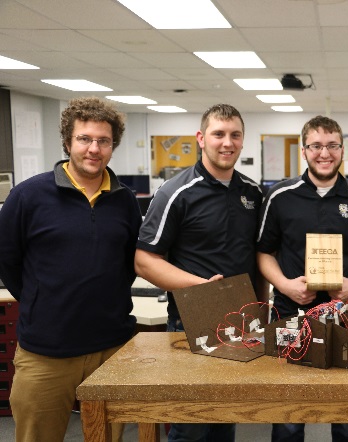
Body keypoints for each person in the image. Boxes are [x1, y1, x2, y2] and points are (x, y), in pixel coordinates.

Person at [0, 96, 141, 442]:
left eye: (103, 141)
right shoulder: (28, 196)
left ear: (112, 146)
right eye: (84, 139)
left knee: (107, 438)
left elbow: (129, 263)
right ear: (67, 142)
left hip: (112, 349)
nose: (94, 148)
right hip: (46, 354)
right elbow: (8, 261)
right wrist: (42, 298)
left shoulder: (124, 200)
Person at [135, 104, 265, 442]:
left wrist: (263, 311)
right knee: (191, 423)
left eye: (235, 135)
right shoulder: (175, 192)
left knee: (225, 418)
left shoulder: (253, 192)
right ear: (201, 138)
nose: (227, 142)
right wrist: (202, 287)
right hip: (191, 323)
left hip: (241, 324)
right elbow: (144, 260)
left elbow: (258, 258)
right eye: (218, 134)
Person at [257, 115, 348, 442]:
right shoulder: (280, 196)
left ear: (342, 150)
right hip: (290, 314)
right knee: (289, 410)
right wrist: (284, 285)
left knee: (347, 413)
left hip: (347, 317)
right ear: (304, 151)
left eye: (331, 146)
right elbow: (264, 252)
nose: (323, 153)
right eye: (316, 146)